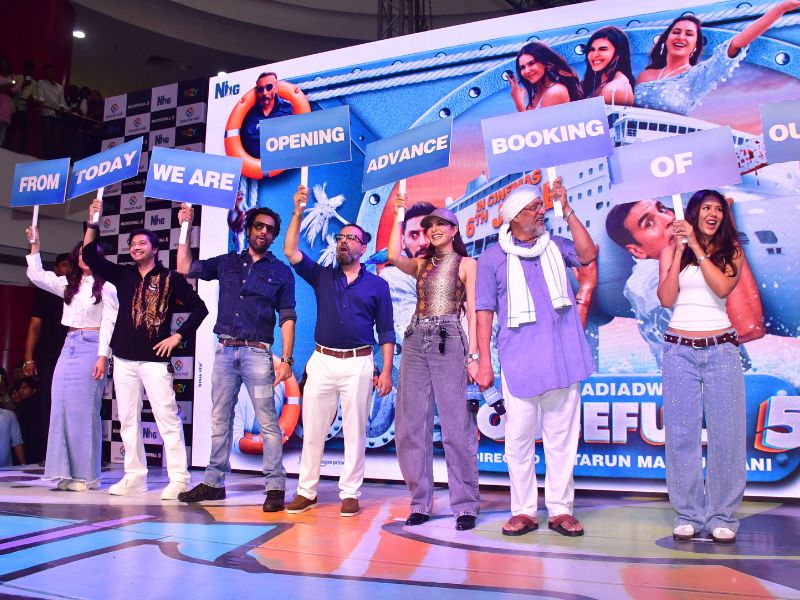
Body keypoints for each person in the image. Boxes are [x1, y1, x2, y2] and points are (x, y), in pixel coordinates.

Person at [474, 181, 596, 537]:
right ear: (514, 217)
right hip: (519, 363)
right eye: (533, 208)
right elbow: (483, 311)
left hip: (564, 358)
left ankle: (560, 510)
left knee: (562, 441)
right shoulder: (492, 258)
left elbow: (588, 255)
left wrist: (566, 209)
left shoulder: (555, 245)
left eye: (541, 206)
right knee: (518, 441)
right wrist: (484, 362)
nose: (541, 212)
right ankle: (524, 511)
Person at [82, 197, 208, 500]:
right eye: (132, 244)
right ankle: (134, 477)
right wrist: (93, 221)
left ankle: (179, 479)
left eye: (142, 243)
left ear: (154, 249)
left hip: (154, 361)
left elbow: (200, 309)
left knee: (167, 419)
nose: (136, 247)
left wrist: (177, 337)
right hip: (123, 359)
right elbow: (88, 255)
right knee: (127, 420)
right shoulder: (122, 274)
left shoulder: (170, 278)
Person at [175, 204, 296, 511]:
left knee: (267, 422)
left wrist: (287, 360)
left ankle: (275, 487)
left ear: (274, 236)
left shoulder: (281, 272)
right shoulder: (228, 262)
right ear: (249, 228)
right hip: (225, 351)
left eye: (269, 229)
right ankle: (214, 484)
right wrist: (186, 226)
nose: (263, 232)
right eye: (259, 226)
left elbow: (287, 317)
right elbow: (185, 266)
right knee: (220, 419)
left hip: (258, 354)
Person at [284, 185, 394, 517]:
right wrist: (298, 211)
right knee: (313, 429)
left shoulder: (378, 285)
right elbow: (290, 251)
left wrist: (386, 371)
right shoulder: (322, 276)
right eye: (340, 237)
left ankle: (350, 493)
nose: (343, 241)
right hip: (322, 361)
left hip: (359, 363)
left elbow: (386, 331)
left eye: (351, 238)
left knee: (355, 431)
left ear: (363, 247)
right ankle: (306, 491)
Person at [656, 190, 747, 544]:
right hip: (678, 351)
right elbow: (667, 299)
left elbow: (722, 288)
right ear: (694, 212)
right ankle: (689, 514)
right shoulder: (671, 252)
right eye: (707, 207)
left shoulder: (731, 251)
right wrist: (680, 249)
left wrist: (696, 246)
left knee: (727, 435)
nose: (713, 213)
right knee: (681, 435)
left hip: (721, 350)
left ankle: (722, 516)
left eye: (718, 209)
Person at [388, 197, 480, 530]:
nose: (434, 229)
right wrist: (399, 214)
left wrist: (474, 355)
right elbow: (392, 255)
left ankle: (465, 505)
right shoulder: (421, 264)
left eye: (440, 224)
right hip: (415, 339)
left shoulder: (467, 264)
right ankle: (420, 503)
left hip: (449, 336)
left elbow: (474, 312)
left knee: (456, 425)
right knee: (411, 425)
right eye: (430, 226)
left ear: (454, 230)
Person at [606, 199, 764, 365]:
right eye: (649, 223)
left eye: (662, 209)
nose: (669, 218)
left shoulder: (678, 261)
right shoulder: (649, 284)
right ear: (637, 251)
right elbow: (747, 329)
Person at [25, 233, 118, 491]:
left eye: (87, 254)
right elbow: (37, 276)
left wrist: (103, 356)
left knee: (84, 412)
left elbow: (109, 323)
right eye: (79, 254)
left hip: (92, 345)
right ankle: (64, 472)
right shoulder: (69, 283)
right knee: (61, 407)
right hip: (69, 345)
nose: (82, 258)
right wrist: (35, 246)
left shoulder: (107, 287)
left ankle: (86, 476)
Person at [635, 2, 800, 115]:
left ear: (695, 46)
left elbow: (737, 43)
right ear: (665, 39)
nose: (681, 37)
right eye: (676, 32)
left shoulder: (699, 75)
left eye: (689, 34)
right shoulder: (645, 75)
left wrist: (781, 8)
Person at [22, 252, 70, 464]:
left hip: (76, 352)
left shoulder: (80, 290)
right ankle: (50, 454)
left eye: (71, 265)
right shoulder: (46, 292)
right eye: (64, 265)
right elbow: (34, 326)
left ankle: (80, 454)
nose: (68, 269)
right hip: (50, 354)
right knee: (49, 402)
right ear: (56, 268)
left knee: (78, 402)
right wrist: (28, 358)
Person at [380, 201, 435, 365]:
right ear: (403, 241)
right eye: (414, 235)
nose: (423, 242)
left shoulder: (462, 269)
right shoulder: (394, 276)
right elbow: (417, 337)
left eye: (429, 233)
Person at [509, 42, 582, 112]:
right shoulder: (537, 93)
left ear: (545, 63)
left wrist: (519, 104)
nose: (527, 71)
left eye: (531, 63)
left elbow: (538, 122)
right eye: (522, 67)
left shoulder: (555, 92)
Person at [241, 72, 293, 159]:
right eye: (260, 89)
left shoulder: (288, 109)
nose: (264, 93)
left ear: (276, 88)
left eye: (269, 87)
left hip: (280, 162)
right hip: (252, 165)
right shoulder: (248, 115)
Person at [580, 26, 634, 106]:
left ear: (618, 54)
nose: (594, 55)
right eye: (592, 49)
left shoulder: (613, 89)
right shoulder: (598, 81)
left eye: (603, 49)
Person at [36, 65, 66, 158]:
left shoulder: (60, 87)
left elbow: (62, 102)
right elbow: (41, 97)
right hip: (46, 112)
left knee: (55, 138)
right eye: (47, 72)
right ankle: (45, 157)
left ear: (54, 73)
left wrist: (61, 109)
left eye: (51, 72)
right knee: (47, 136)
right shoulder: (41, 82)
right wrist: (41, 103)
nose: (49, 74)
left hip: (57, 114)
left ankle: (51, 158)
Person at [9, 60, 36, 154]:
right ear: (24, 69)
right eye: (27, 69)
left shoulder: (35, 83)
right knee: (11, 128)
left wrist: (32, 98)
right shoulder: (17, 77)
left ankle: (21, 151)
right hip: (13, 106)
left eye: (31, 70)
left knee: (24, 130)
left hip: (24, 108)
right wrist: (24, 85)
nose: (28, 72)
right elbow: (12, 91)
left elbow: (35, 96)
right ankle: (8, 147)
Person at [0, 57, 17, 148]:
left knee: (3, 126)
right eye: (2, 63)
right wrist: (7, 86)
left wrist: (6, 88)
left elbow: (16, 89)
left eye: (5, 63)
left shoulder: (12, 76)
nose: (4, 65)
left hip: (6, 103)